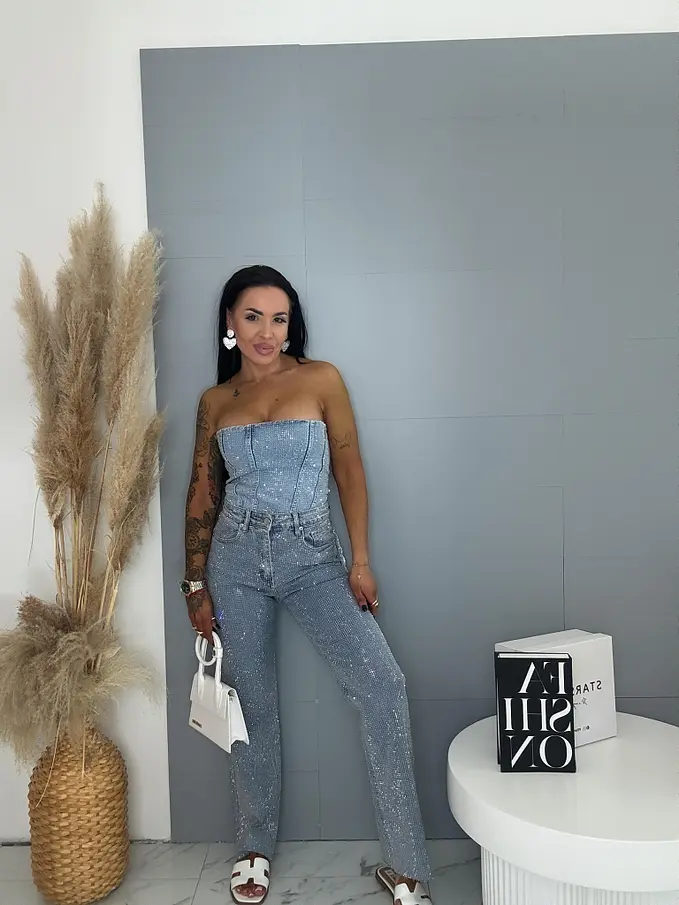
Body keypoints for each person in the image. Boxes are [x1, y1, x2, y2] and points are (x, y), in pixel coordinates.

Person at [181, 265, 433, 905]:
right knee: (253, 706)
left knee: (383, 686)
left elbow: (349, 468)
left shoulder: (321, 379)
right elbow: (203, 492)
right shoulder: (215, 402)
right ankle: (254, 847)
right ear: (230, 322)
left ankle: (406, 867)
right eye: (252, 317)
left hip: (313, 557)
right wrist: (194, 583)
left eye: (279, 318)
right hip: (235, 562)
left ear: (292, 324)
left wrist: (360, 559)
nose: (266, 332)